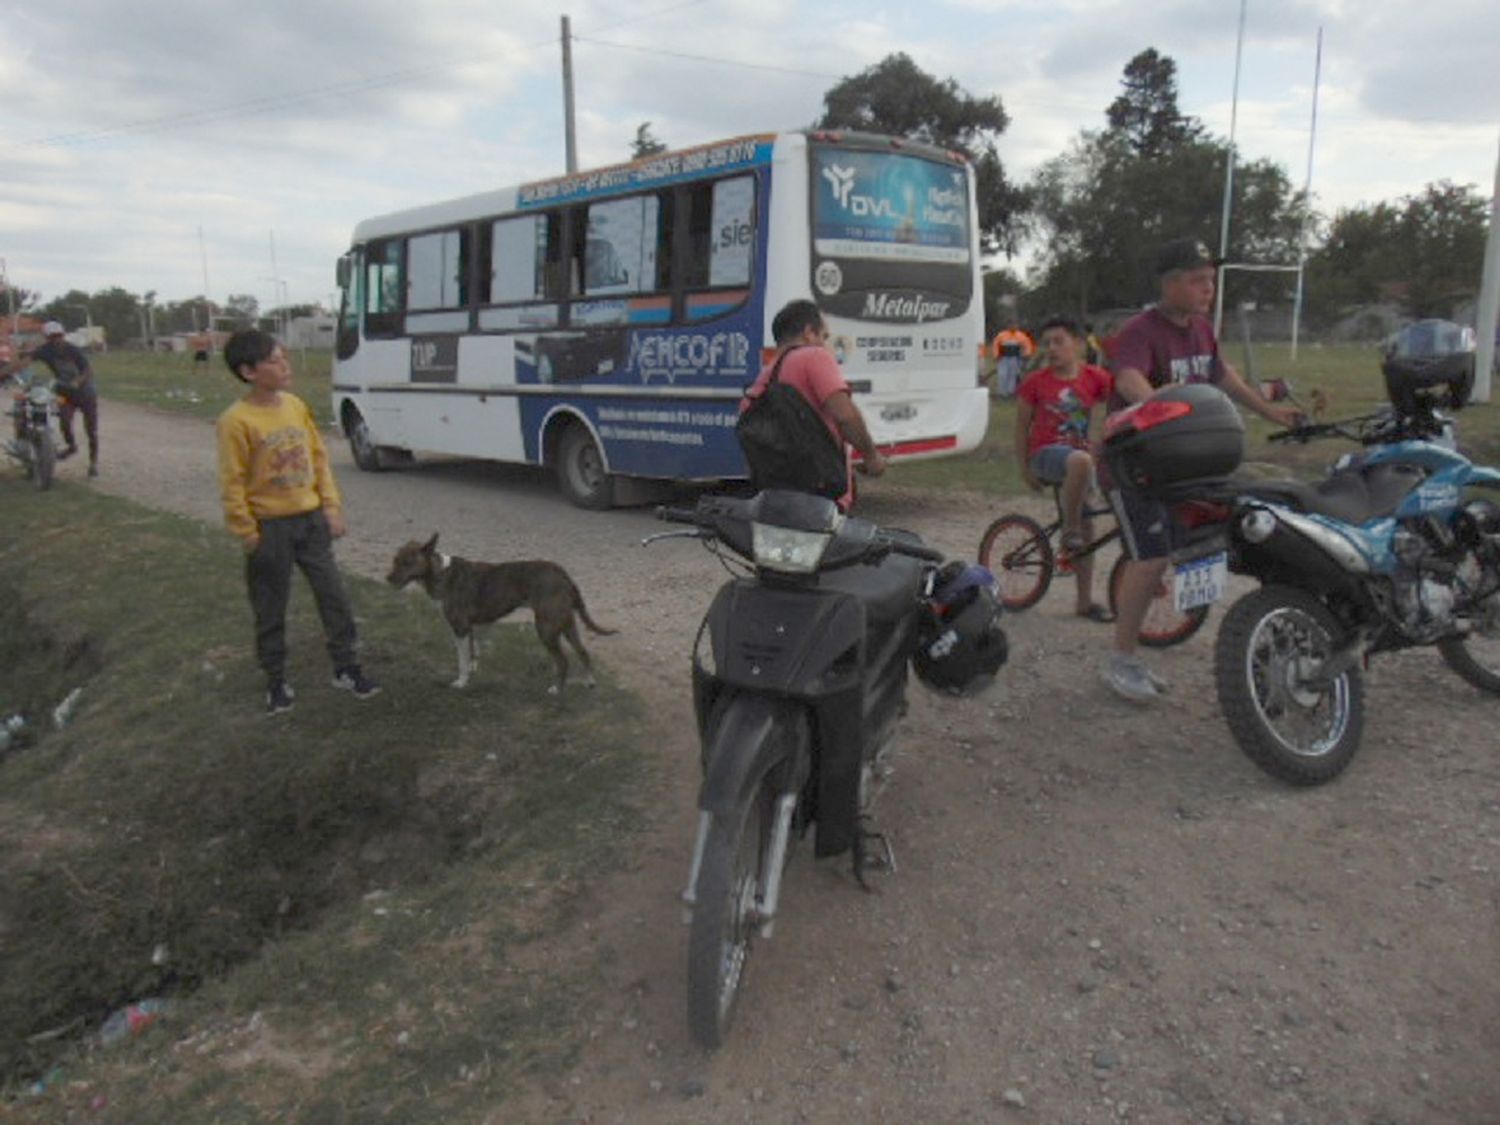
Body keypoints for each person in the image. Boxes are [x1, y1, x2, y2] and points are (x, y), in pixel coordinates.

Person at [1102, 238, 1302, 703]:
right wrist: (1161, 402)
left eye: (1211, 279)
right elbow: (1127, 378)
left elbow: (1222, 376)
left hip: (1184, 460)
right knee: (1149, 557)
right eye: (1197, 280)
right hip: (1134, 465)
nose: (1208, 288)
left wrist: (1271, 414)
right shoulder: (1139, 330)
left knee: (1249, 519)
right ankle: (1120, 660)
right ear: (1170, 283)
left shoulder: (1201, 329)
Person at [216, 329, 379, 714]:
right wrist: (248, 533)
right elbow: (232, 481)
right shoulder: (236, 421)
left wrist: (331, 507)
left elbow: (318, 459)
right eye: (274, 360)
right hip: (269, 528)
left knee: (333, 595)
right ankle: (275, 680)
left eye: (284, 356)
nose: (285, 365)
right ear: (248, 371)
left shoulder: (295, 405)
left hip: (310, 521)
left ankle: (347, 667)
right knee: (271, 606)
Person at [740, 299, 886, 510]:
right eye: (824, 336)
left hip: (775, 500)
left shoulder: (762, 382)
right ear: (809, 333)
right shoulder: (813, 356)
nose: (825, 344)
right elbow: (845, 415)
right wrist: (872, 458)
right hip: (820, 500)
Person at [1015, 315, 1114, 622]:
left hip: (1078, 460)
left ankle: (1084, 602)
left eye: (1059, 341)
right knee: (1081, 462)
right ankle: (1067, 530)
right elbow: (1021, 428)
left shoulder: (1095, 377)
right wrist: (1025, 470)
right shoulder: (1035, 383)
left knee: (1090, 529)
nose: (1052, 349)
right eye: (1047, 344)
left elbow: (1118, 401)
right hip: (1045, 454)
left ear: (1079, 345)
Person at [26, 321, 101, 477]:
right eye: (52, 337)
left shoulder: (73, 350)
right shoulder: (45, 351)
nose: (56, 339)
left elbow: (87, 370)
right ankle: (71, 446)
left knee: (91, 430)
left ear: (63, 335)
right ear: (47, 338)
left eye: (59, 336)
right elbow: (25, 360)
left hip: (85, 392)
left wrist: (78, 381)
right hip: (64, 393)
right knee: (65, 421)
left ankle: (93, 463)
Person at [990, 319, 1035, 398]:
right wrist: (996, 355)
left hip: (1015, 359)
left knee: (1013, 376)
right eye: (1010, 324)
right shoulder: (1001, 335)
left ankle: (1011, 392)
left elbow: (1028, 345)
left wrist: (1027, 355)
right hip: (1003, 359)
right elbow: (995, 345)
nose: (1012, 326)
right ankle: (1002, 393)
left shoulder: (1021, 335)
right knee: (1002, 375)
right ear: (1007, 325)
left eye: (1014, 325)